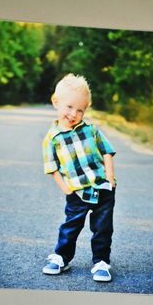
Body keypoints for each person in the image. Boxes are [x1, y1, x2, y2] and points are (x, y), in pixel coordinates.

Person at [41, 73, 117, 283]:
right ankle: (61, 257)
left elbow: (107, 151)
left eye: (80, 110)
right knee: (71, 225)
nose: (74, 114)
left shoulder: (91, 130)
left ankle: (101, 262)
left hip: (102, 188)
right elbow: (52, 167)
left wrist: (110, 178)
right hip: (76, 190)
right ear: (56, 102)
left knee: (102, 228)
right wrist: (66, 190)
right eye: (69, 107)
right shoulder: (52, 139)